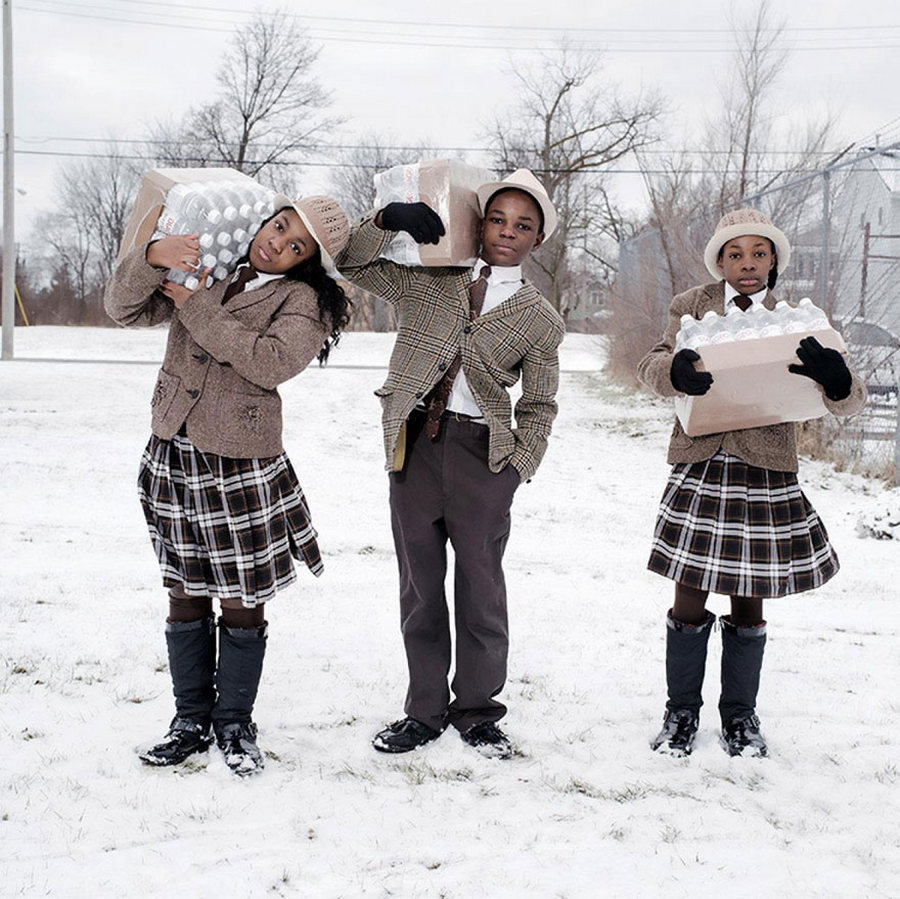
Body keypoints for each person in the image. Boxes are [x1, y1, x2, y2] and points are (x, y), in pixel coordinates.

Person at [104, 193, 350, 776]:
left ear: (308, 261)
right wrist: (152, 256)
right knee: (184, 587)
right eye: (281, 226)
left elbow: (265, 363)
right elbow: (123, 309)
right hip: (174, 446)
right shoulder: (210, 263)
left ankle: (234, 722)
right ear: (268, 217)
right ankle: (189, 719)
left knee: (243, 596)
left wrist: (194, 306)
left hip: (241, 460)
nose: (279, 243)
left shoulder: (303, 302)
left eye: (297, 246)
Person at [336, 169, 565, 759]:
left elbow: (539, 404)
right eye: (498, 219)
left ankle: (479, 711)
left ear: (537, 239)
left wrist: (517, 467)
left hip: (480, 457)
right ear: (480, 223)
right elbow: (350, 264)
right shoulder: (432, 281)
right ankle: (424, 709)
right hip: (412, 447)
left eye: (523, 225)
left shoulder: (539, 318)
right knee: (419, 587)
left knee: (481, 588)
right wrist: (386, 222)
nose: (507, 232)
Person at [637, 208, 866, 758]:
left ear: (774, 261)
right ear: (719, 260)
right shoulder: (691, 307)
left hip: (765, 468)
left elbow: (850, 397)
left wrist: (836, 380)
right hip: (703, 461)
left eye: (759, 253)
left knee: (750, 593)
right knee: (689, 588)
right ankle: (681, 713)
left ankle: (740, 716)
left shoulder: (798, 317)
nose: (747, 263)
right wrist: (673, 373)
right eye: (735, 254)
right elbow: (652, 363)